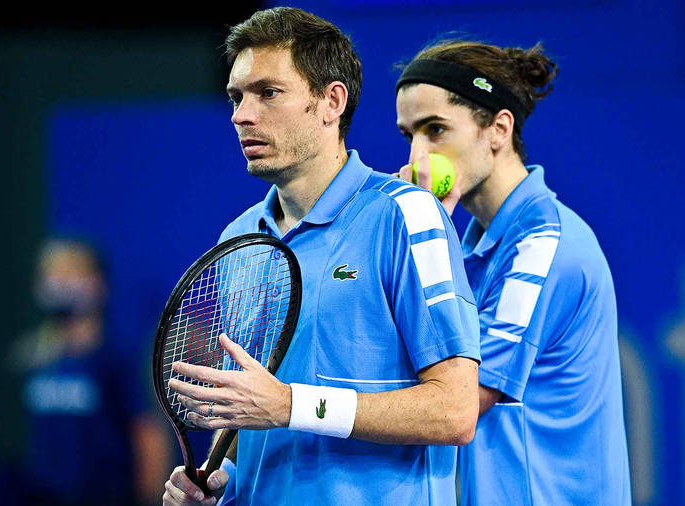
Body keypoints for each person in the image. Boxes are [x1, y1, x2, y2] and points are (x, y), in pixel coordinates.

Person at [162, 7, 481, 506]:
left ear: (331, 101)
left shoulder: (406, 216)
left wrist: (292, 404)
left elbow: (455, 410)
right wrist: (223, 478)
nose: (241, 114)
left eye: (268, 93)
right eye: (236, 97)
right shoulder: (238, 237)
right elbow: (256, 422)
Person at [395, 40, 631, 504]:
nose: (418, 155)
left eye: (436, 129)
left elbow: (456, 402)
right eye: (409, 136)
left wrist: (297, 408)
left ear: (498, 129)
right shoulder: (471, 251)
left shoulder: (543, 245)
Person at [11, 238, 169, 505]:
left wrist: (151, 499)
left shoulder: (117, 359)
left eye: (70, 272)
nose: (59, 282)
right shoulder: (31, 360)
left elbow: (148, 435)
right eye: (51, 273)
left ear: (98, 284)